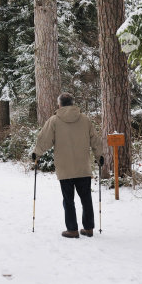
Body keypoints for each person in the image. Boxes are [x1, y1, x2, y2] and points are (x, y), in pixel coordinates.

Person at [32, 93, 104, 238]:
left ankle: (72, 230)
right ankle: (89, 228)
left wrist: (36, 154)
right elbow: (95, 140)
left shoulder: (54, 120)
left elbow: (44, 139)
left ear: (59, 105)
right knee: (86, 198)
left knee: (68, 200)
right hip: (83, 166)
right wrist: (99, 156)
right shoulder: (85, 119)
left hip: (65, 168)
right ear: (73, 103)